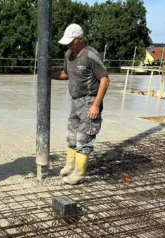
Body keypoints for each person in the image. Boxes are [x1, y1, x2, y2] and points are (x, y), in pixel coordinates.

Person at [51, 23, 110, 185]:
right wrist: (49, 74)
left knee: (84, 137)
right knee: (72, 134)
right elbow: (65, 74)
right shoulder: (68, 55)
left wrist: (96, 105)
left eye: (71, 42)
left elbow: (105, 80)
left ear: (80, 39)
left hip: (90, 100)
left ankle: (79, 172)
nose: (69, 45)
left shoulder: (91, 56)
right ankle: (70, 165)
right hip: (75, 101)